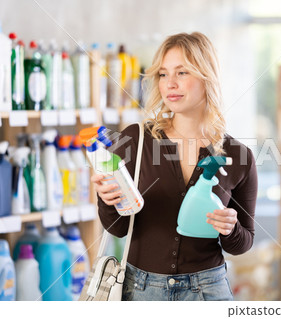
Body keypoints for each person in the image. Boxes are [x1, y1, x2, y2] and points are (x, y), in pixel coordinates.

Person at [91, 32, 258, 301]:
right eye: (163, 74)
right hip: (141, 290)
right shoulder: (136, 139)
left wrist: (230, 228)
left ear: (206, 77)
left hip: (207, 291)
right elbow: (118, 229)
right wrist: (107, 201)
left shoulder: (239, 156)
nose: (170, 84)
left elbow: (244, 242)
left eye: (182, 73)